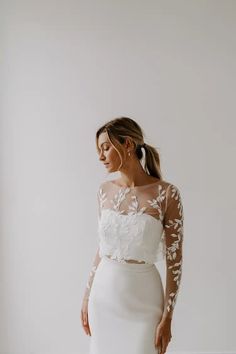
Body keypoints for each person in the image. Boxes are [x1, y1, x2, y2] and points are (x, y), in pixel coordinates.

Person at [81, 117, 184, 354]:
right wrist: (86, 297)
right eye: (99, 150)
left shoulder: (167, 194)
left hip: (144, 301)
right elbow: (102, 247)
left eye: (106, 147)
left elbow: (174, 261)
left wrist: (168, 315)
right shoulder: (104, 191)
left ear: (128, 144)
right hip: (103, 299)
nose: (101, 156)